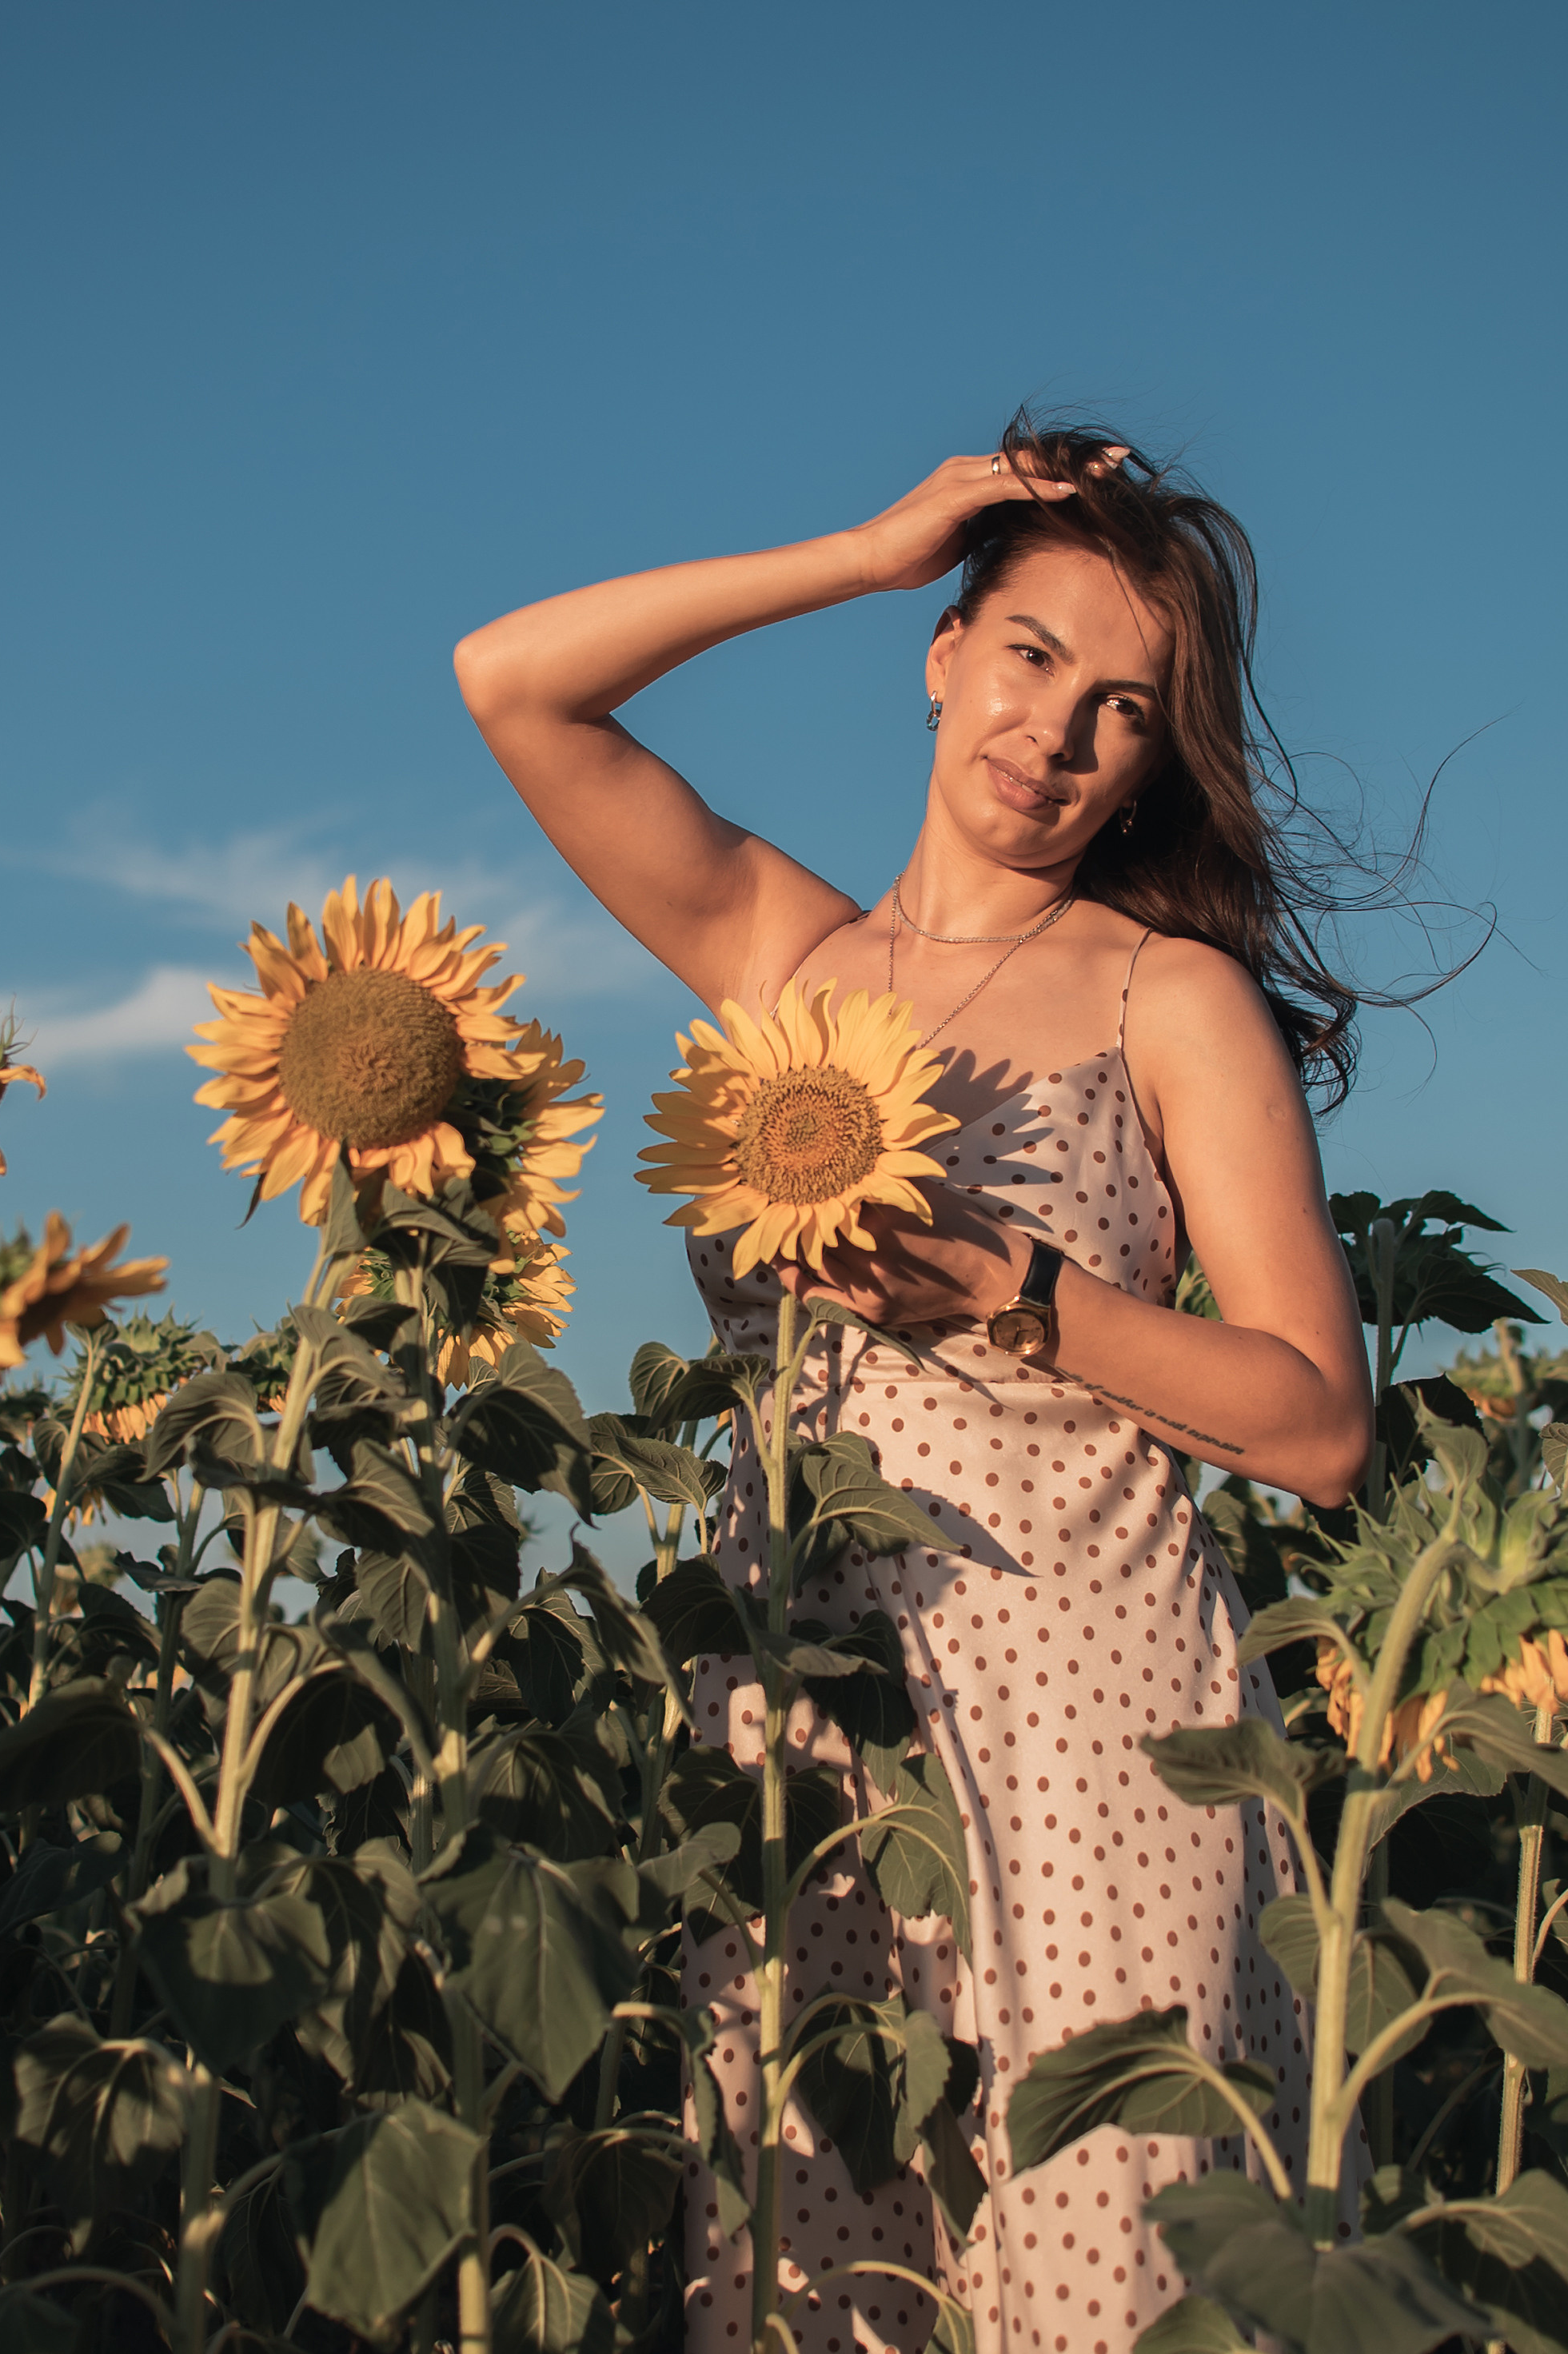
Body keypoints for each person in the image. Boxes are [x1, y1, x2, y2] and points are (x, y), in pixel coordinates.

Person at [453, 417, 1374, 2354]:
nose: (1058, 732)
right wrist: (868, 546)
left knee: (1107, 2268)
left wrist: (1010, 1283)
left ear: (1152, 761)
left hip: (1094, 1723)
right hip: (815, 1735)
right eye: (1029, 654)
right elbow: (515, 680)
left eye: (1125, 707)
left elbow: (1315, 1421)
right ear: (945, 651)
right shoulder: (786, 952)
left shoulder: (1163, 994)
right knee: (818, 2274)